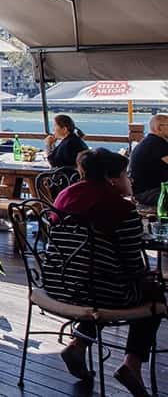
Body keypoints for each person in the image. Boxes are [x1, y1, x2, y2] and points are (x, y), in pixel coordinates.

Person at [47, 148, 161, 395]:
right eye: (125, 174)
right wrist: (148, 279)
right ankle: (132, 364)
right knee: (154, 294)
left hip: (57, 285)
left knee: (97, 280)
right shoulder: (120, 209)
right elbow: (133, 266)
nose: (129, 179)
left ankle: (78, 344)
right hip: (96, 292)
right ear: (112, 178)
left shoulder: (64, 197)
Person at [129, 113, 168, 205]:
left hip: (144, 191)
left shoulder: (149, 141)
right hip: (149, 193)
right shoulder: (157, 144)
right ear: (159, 128)